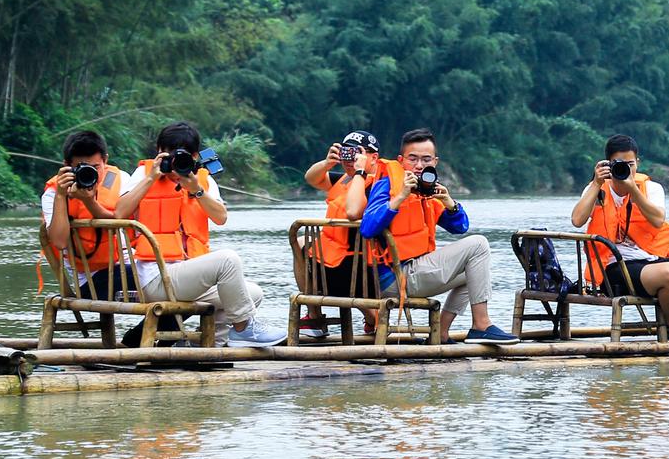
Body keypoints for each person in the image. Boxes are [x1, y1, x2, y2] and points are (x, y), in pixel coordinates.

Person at [114, 121, 287, 346]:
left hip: (188, 279)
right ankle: (244, 329)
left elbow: (221, 218)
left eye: (182, 156)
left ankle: (203, 347)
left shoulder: (202, 180)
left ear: (194, 156)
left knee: (252, 293)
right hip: (155, 279)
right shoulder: (143, 174)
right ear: (158, 151)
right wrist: (151, 179)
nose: (175, 163)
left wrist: (196, 190)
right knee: (227, 260)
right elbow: (120, 212)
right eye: (168, 154)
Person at [358, 128, 518, 345]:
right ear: (401, 160)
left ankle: (440, 333)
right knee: (479, 244)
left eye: (426, 160)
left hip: (414, 272)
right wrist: (401, 196)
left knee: (474, 274)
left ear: (435, 162)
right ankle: (481, 325)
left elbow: (460, 227)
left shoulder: (427, 192)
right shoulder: (387, 185)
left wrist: (449, 202)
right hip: (395, 277)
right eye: (412, 159)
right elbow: (367, 228)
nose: (419, 165)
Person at [571, 133, 669, 344]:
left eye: (630, 163)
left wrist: (633, 191)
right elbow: (577, 220)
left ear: (637, 162)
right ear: (608, 164)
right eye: (619, 164)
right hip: (612, 268)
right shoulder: (597, 189)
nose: (627, 169)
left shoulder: (651, 189)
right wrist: (595, 184)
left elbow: (658, 220)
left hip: (649, 259)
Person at [298, 130, 383, 339]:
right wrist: (327, 163)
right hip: (338, 261)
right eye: (346, 151)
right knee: (300, 242)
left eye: (357, 152)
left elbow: (354, 212)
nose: (350, 157)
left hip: (359, 267)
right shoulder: (345, 179)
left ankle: (316, 314)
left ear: (373, 157)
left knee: (301, 243)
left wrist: (360, 173)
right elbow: (311, 178)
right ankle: (318, 316)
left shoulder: (379, 185)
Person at [40, 128, 133, 297]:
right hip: (89, 280)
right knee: (162, 280)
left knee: (164, 276)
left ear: (105, 160)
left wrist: (89, 202)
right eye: (82, 168)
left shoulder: (121, 180)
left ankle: (146, 326)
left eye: (96, 167)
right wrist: (61, 195)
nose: (91, 173)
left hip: (129, 266)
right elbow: (59, 242)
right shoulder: (54, 193)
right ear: (67, 166)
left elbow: (122, 222)